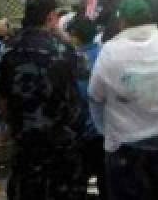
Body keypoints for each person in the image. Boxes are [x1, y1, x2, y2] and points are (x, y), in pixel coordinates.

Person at [88, 0, 158, 200]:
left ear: (122, 22)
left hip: (125, 149)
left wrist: (107, 132)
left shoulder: (111, 51)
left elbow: (95, 97)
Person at [0, 0, 87, 200]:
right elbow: (83, 69)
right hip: (60, 145)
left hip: (25, 143)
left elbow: (1, 97)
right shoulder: (61, 49)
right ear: (51, 17)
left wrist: (13, 125)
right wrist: (61, 34)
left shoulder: (7, 50)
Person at [66, 14, 106, 199]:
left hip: (82, 130)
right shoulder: (106, 54)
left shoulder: (71, 61)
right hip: (106, 129)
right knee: (105, 178)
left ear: (75, 35)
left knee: (80, 180)